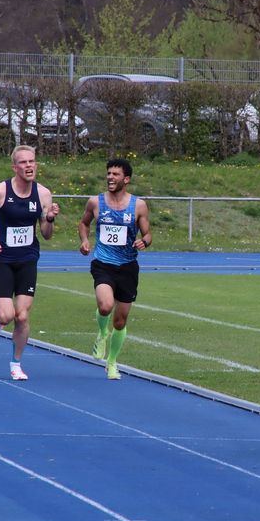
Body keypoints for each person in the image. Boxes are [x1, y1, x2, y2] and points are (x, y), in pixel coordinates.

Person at [0, 144, 59, 381]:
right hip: (3, 259)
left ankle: (16, 364)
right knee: (6, 316)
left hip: (27, 259)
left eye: (32, 161)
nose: (29, 166)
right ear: (15, 167)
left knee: (21, 316)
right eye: (23, 162)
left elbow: (46, 234)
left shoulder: (43, 194)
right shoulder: (0, 191)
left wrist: (49, 218)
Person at [78, 158, 151, 380]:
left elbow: (147, 234)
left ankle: (111, 362)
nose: (110, 177)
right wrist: (84, 241)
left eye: (115, 174)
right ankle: (102, 333)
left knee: (120, 321)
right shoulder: (95, 202)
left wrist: (144, 242)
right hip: (103, 263)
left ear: (126, 179)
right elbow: (84, 223)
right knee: (105, 306)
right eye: (108, 173)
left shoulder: (138, 205)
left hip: (127, 267)